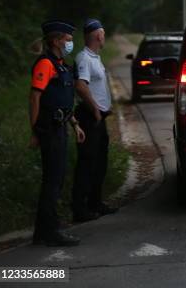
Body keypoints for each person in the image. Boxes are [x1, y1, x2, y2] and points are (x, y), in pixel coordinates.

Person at [30, 20, 85, 246]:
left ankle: (43, 231)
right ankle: (49, 232)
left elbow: (61, 101)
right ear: (56, 41)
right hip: (49, 130)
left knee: (56, 179)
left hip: (61, 126)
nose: (70, 43)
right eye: (68, 40)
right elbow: (35, 97)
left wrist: (75, 124)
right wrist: (35, 131)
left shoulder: (61, 64)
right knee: (52, 181)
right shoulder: (45, 64)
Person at [72, 18, 118, 222]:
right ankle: (80, 209)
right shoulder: (84, 59)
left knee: (100, 162)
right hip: (89, 117)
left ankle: (95, 203)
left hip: (99, 118)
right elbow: (81, 86)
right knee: (87, 163)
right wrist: (96, 110)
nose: (104, 37)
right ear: (98, 35)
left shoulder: (95, 57)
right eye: (104, 33)